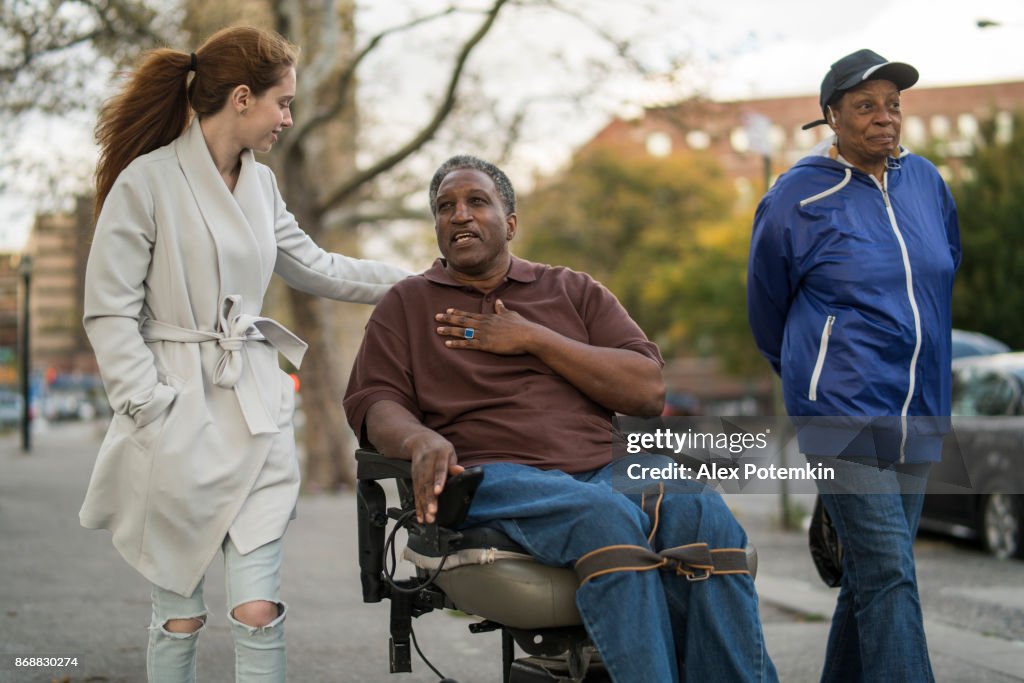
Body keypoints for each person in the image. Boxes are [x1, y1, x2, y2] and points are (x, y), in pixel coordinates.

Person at [344, 154, 778, 682]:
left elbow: (646, 390)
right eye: (444, 208)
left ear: (509, 223)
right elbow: (374, 402)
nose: (459, 215)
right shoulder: (406, 304)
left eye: (476, 202)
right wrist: (416, 439)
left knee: (699, 509)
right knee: (605, 517)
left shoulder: (573, 290)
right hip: (492, 477)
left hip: (600, 467)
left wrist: (534, 338)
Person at [79, 26, 409, 682]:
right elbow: (108, 311)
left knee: (258, 608)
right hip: (175, 410)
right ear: (240, 99)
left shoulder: (260, 186)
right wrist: (149, 405)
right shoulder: (147, 183)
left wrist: (418, 279)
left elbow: (316, 264)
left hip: (254, 406)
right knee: (180, 613)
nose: (288, 117)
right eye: (281, 102)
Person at [747, 49, 960, 683]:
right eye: (865, 106)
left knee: (870, 578)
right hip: (839, 411)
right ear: (831, 116)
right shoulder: (797, 197)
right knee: (892, 571)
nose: (884, 118)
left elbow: (942, 272)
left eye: (893, 105)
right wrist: (814, 379)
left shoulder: (926, 183)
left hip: (919, 411)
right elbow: (768, 308)